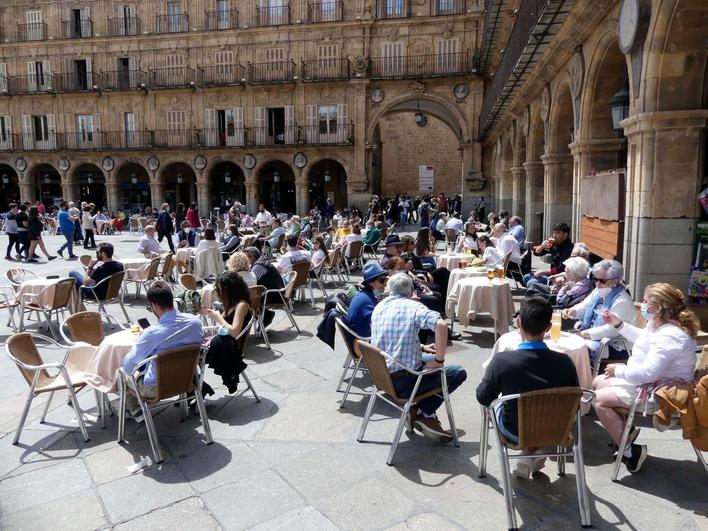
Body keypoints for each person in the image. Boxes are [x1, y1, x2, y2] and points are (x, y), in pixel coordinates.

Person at [593, 283, 699, 473]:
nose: (642, 304)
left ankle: (630, 450)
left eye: (646, 301)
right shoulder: (658, 324)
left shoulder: (671, 336)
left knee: (598, 400)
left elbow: (649, 374)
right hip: (649, 383)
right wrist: (619, 324)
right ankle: (625, 433)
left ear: (659, 307)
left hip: (662, 395)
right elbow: (644, 338)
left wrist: (619, 370)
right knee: (597, 382)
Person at [476, 297, 579, 478]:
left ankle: (528, 453)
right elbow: (576, 405)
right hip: (556, 430)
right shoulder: (565, 361)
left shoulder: (502, 361)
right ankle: (532, 453)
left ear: (518, 322)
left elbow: (483, 397)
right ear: (548, 327)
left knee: (496, 403)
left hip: (515, 432)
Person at [371, 273, 467, 442]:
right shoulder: (414, 307)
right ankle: (425, 412)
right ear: (410, 291)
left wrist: (422, 347)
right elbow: (441, 324)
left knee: (427, 359)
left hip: (382, 376)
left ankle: (421, 412)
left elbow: (392, 338)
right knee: (456, 372)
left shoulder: (379, 307)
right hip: (404, 381)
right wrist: (439, 360)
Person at [122, 281, 203, 415]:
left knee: (120, 375)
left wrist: (143, 341)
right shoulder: (195, 322)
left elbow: (128, 366)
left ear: (154, 305)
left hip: (158, 387)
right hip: (187, 380)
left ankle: (135, 411)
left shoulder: (152, 333)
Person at [562, 260, 635, 362]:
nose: (597, 284)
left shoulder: (622, 301)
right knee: (563, 344)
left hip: (613, 344)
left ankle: (581, 377)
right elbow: (584, 306)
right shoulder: (599, 291)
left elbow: (611, 329)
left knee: (568, 350)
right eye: (595, 279)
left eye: (602, 280)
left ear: (615, 281)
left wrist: (584, 334)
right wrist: (572, 311)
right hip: (593, 337)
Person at [203, 271, 253, 393]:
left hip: (231, 347)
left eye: (221, 291)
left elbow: (234, 331)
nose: (219, 294)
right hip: (225, 344)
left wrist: (218, 317)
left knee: (190, 357)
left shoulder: (241, 305)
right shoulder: (232, 303)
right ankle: (198, 388)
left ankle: (197, 389)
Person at [243, 245, 284, 327]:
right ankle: (264, 314)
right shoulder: (260, 262)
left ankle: (265, 315)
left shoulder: (259, 266)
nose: (243, 260)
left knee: (246, 298)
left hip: (275, 294)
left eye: (245, 258)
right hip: (275, 290)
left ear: (252, 258)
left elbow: (251, 282)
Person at [523, 222, 573, 288]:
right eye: (554, 232)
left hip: (559, 278)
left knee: (531, 282)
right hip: (551, 275)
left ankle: (538, 294)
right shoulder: (554, 244)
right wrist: (542, 246)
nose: (554, 235)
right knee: (526, 277)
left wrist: (541, 272)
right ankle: (537, 292)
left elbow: (560, 269)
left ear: (565, 234)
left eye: (558, 233)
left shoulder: (568, 249)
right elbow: (536, 253)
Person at [347, 262, 387, 338]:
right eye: (382, 280)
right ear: (371, 283)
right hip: (365, 339)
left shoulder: (365, 294)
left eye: (385, 279)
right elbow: (378, 326)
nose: (385, 283)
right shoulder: (367, 301)